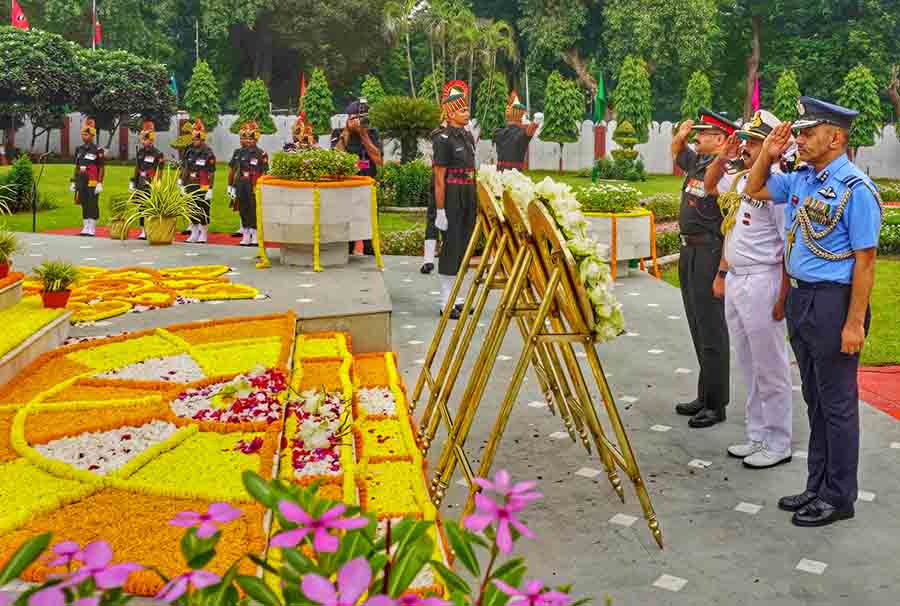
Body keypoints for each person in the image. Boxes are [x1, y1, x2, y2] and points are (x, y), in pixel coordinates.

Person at [744, 97, 883, 527]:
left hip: (834, 302)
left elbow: (865, 262)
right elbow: (754, 189)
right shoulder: (803, 179)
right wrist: (767, 155)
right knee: (815, 399)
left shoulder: (856, 189)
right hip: (804, 298)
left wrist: (855, 322)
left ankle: (839, 496)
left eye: (808, 132)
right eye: (799, 133)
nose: (799, 140)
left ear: (835, 137)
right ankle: (817, 484)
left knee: (838, 403)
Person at [703, 109, 793, 468]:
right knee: (748, 363)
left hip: (763, 280)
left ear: (775, 146)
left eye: (756, 143)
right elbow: (711, 186)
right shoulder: (742, 180)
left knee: (770, 365)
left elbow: (787, 245)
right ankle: (756, 434)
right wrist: (722, 157)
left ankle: (778, 440)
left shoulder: (777, 187)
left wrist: (782, 297)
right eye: (749, 141)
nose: (747, 148)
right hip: (739, 278)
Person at [671, 109, 738, 428]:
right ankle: (704, 394)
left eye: (704, 134)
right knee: (698, 326)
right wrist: (681, 136)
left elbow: (730, 223)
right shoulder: (699, 163)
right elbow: (677, 152)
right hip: (690, 252)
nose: (698, 137)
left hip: (710, 251)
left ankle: (716, 404)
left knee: (712, 329)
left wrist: (722, 272)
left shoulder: (725, 172)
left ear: (721, 139)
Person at [433, 80, 477, 320]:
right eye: (462, 110)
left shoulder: (467, 137)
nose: (467, 113)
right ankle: (444, 301)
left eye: (467, 109)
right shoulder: (442, 139)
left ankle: (457, 298)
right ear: (450, 114)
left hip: (469, 194)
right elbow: (439, 178)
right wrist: (440, 210)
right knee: (451, 247)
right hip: (451, 196)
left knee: (463, 246)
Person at [332, 98, 382, 256]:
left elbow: (379, 160)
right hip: (347, 188)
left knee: (369, 229)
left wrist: (364, 135)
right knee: (347, 230)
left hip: (367, 188)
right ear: (348, 118)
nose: (361, 121)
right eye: (356, 118)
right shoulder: (339, 133)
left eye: (363, 118)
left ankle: (370, 257)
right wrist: (346, 132)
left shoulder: (372, 133)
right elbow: (335, 158)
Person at [228, 121, 269, 247]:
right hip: (241, 183)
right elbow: (233, 170)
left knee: (253, 210)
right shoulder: (238, 152)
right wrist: (231, 186)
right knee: (243, 209)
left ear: (256, 139)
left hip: (254, 184)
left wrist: (261, 187)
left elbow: (264, 172)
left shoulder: (261, 153)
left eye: (251, 138)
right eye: (245, 138)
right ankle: (246, 234)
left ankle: (255, 235)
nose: (248, 141)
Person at [180, 119, 216, 244]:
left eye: (197, 139)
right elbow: (185, 168)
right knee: (191, 208)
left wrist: (210, 189)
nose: (194, 141)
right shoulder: (189, 151)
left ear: (202, 138)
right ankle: (194, 233)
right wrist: (182, 184)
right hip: (190, 182)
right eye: (193, 138)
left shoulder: (208, 153)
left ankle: (204, 233)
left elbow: (211, 172)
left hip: (203, 183)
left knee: (203, 209)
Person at [129, 120, 165, 240]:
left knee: (151, 207)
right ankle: (143, 230)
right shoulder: (140, 152)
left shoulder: (158, 154)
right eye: (143, 139)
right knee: (141, 207)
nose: (144, 142)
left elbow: (160, 170)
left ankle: (152, 228)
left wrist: (158, 182)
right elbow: (137, 168)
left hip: (151, 183)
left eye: (146, 139)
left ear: (152, 139)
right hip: (141, 182)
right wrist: (133, 182)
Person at [70, 117, 105, 237]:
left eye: (86, 134)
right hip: (82, 179)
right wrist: (74, 181)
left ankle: (92, 226)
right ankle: (85, 226)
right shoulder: (79, 149)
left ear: (92, 135)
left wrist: (100, 182)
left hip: (93, 179)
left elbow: (101, 167)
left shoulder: (97, 150)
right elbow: (77, 166)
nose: (83, 136)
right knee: (84, 201)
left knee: (92, 202)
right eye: (83, 134)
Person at [421, 117, 447, 275]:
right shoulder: (439, 135)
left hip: (446, 180)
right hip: (442, 180)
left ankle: (428, 259)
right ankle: (429, 259)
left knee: (435, 219)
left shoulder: (436, 134)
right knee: (435, 217)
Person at [493, 91, 539, 172]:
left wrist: (533, 124)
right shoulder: (521, 133)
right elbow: (529, 130)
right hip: (514, 174)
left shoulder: (498, 132)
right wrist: (535, 122)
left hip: (500, 173)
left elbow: (529, 130)